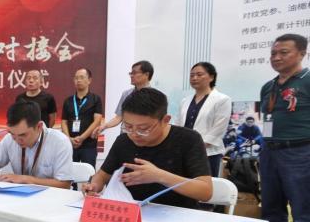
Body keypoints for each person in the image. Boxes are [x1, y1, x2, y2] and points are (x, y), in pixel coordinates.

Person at [83, 88, 212, 209]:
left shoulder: (188, 139)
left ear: (165, 120)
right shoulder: (123, 141)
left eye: (143, 129)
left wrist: (159, 176)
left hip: (178, 216)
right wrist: (93, 186)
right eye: (128, 126)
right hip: (133, 214)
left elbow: (205, 192)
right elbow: (102, 176)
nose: (134, 134)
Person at [259, 33, 310, 222]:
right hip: (270, 151)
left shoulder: (307, 80)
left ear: (302, 53)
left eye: (283, 52)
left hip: (301, 151)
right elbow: (267, 119)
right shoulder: (268, 87)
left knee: (302, 210)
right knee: (271, 207)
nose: (276, 57)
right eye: (273, 53)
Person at [0, 101, 73, 189]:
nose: (17, 140)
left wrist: (27, 180)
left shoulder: (60, 142)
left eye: (22, 135)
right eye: (12, 134)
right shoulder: (9, 139)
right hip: (19, 197)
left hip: (51, 199)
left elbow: (65, 184)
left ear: (39, 127)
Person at [175, 62, 231, 177]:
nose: (194, 78)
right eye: (192, 75)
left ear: (211, 77)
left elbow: (218, 128)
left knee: (205, 186)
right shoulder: (185, 101)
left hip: (208, 154)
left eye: (199, 74)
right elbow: (178, 125)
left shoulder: (222, 99)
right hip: (184, 153)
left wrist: (196, 147)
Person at [92, 60, 153, 138]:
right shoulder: (126, 94)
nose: (131, 76)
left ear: (146, 74)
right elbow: (119, 117)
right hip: (125, 136)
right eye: (131, 73)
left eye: (134, 73)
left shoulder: (155, 97)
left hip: (144, 138)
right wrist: (104, 126)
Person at [61, 68, 103, 169]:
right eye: (76, 78)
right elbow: (64, 122)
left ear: (89, 80)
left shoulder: (96, 99)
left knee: (89, 173)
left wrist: (82, 138)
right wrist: (69, 139)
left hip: (88, 144)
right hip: (70, 144)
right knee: (69, 174)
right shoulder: (68, 101)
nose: (78, 80)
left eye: (82, 77)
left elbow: (97, 121)